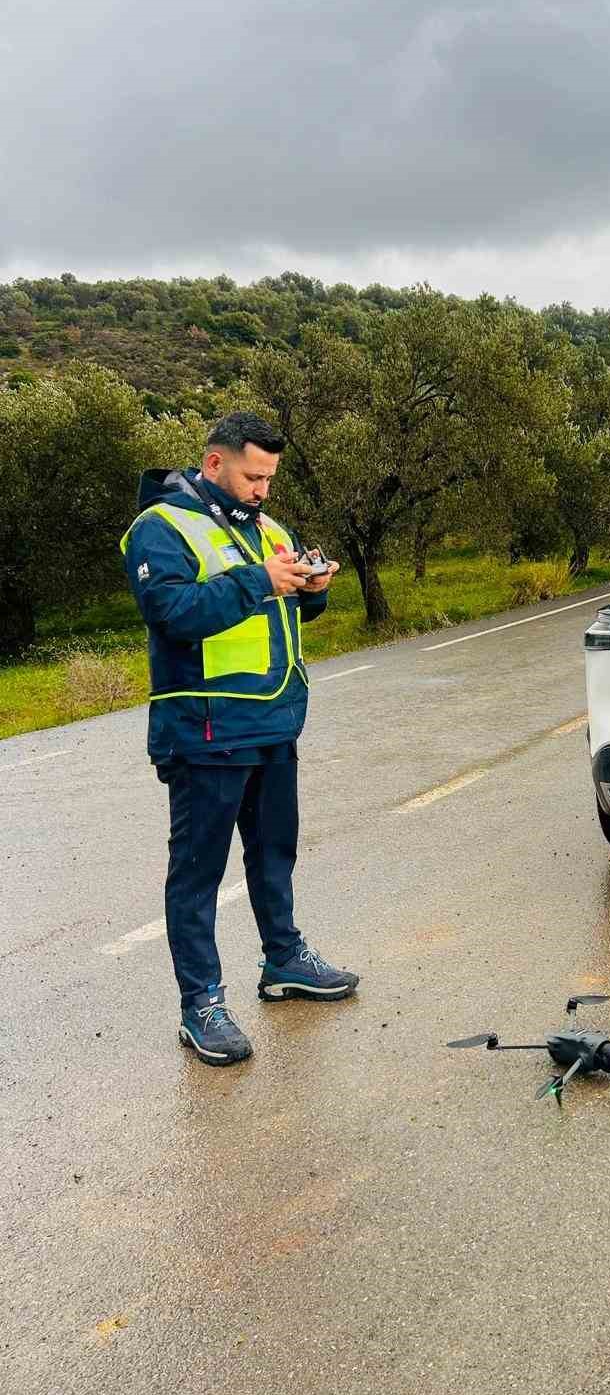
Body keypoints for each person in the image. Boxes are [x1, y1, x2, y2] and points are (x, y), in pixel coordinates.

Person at [121, 411, 360, 1066]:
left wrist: (313, 587)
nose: (263, 489)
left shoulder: (269, 529)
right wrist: (262, 580)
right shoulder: (161, 528)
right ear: (216, 462)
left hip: (275, 721)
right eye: (254, 476)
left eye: (270, 478)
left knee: (274, 851)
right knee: (198, 871)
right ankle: (201, 1004)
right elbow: (173, 614)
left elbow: (290, 608)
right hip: (204, 729)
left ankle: (284, 960)